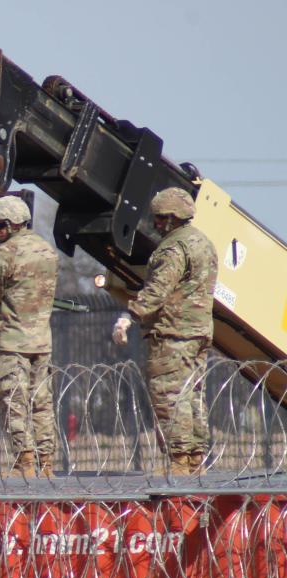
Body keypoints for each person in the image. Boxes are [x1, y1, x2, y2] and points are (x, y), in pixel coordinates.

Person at [111, 187, 216, 476]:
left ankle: (179, 459)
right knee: (193, 395)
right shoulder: (203, 243)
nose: (156, 224)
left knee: (170, 395)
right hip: (198, 331)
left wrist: (128, 316)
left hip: (172, 333)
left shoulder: (173, 248)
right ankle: (195, 457)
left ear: (173, 218)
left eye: (159, 219)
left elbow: (157, 290)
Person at [0, 196, 58, 477]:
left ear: (13, 224)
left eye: (0, 226)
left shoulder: (4, 253)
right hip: (42, 339)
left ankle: (24, 462)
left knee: (13, 401)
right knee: (41, 402)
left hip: (13, 340)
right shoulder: (47, 251)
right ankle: (46, 462)